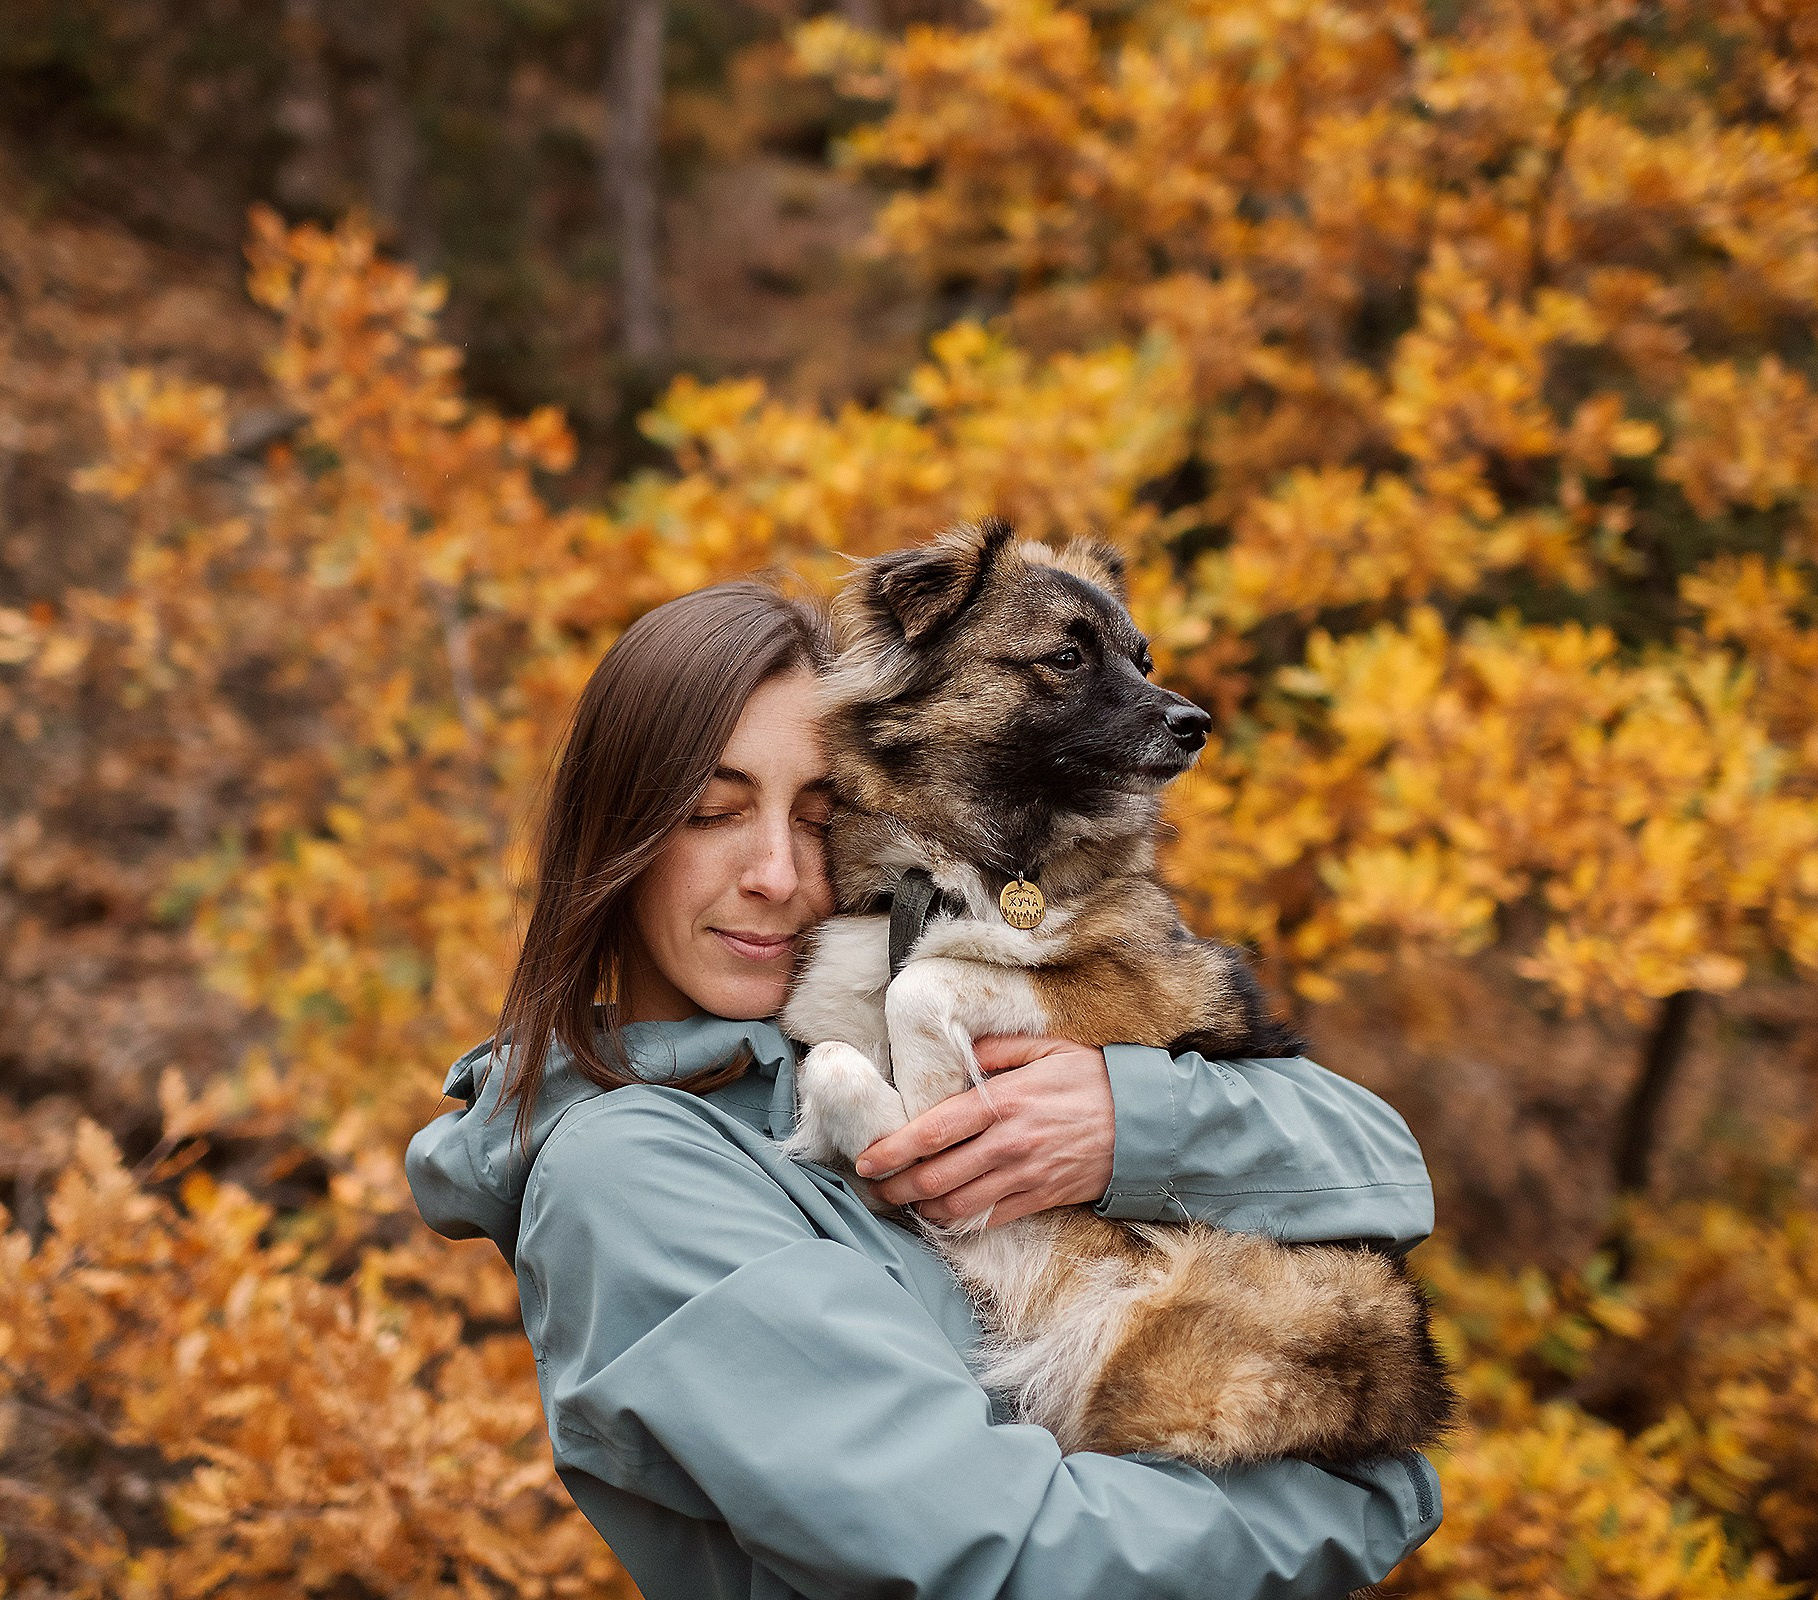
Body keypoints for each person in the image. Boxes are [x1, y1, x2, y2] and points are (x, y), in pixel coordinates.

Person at [406, 580, 1444, 1599]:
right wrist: (1348, 1505)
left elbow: (1387, 1168)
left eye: (820, 818)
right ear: (617, 840)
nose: (775, 871)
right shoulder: (632, 1174)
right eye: (712, 814)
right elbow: (1005, 1561)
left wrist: (1126, 1122)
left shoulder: (831, 1048)